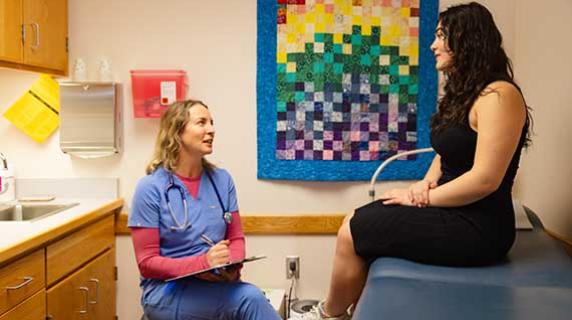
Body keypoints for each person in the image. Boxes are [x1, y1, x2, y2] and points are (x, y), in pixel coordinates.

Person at [302, 2, 532, 319]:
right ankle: (345, 313)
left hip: (479, 226)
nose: (432, 45)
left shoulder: (499, 95)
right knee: (356, 217)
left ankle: (329, 316)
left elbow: (485, 180)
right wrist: (421, 185)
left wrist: (425, 198)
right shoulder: (467, 94)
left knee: (353, 231)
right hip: (451, 209)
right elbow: (446, 152)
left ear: (466, 39)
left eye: (441, 36)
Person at [128, 100, 280, 320]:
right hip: (166, 292)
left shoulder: (222, 180)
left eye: (212, 123)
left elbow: (236, 237)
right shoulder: (150, 188)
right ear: (177, 132)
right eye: (201, 122)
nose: (211, 129)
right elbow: (147, 263)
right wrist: (203, 263)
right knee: (250, 299)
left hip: (215, 284)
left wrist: (230, 266)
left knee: (253, 298)